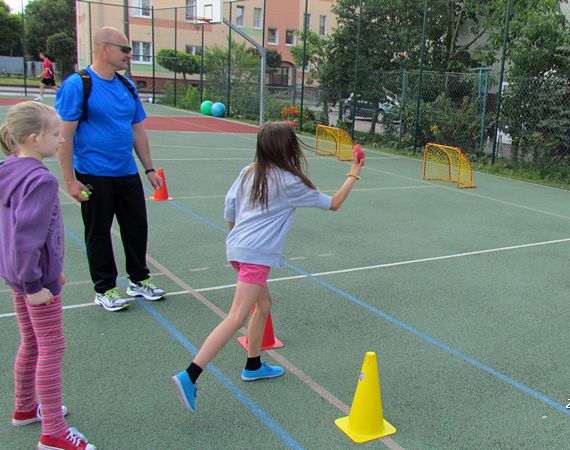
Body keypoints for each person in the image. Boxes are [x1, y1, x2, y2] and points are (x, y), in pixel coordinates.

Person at [172, 122, 364, 412]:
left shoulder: (249, 171)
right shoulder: (289, 182)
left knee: (263, 305)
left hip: (237, 247)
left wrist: (236, 240)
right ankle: (191, 374)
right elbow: (334, 203)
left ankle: (253, 365)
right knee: (236, 317)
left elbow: (229, 206)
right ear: (289, 149)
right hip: (254, 255)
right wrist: (354, 173)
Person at [0, 101, 96, 450]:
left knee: (31, 343)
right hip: (32, 283)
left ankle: (25, 408)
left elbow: (14, 234)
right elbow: (27, 236)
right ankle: (54, 433)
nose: (60, 140)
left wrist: (48, 272)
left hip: (22, 277)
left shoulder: (9, 168)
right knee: (51, 348)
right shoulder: (39, 179)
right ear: (31, 137)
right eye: (55, 134)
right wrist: (36, 284)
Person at [56, 27, 165, 312]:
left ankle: (139, 280)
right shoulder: (78, 84)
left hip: (126, 172)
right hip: (93, 173)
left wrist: (149, 169)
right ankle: (104, 288)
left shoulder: (127, 86)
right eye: (124, 49)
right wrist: (69, 180)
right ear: (104, 49)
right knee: (99, 232)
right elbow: (64, 136)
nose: (129, 55)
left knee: (136, 228)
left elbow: (138, 130)